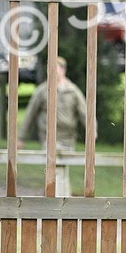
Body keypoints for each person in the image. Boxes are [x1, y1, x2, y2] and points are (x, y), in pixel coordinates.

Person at [18, 57, 88, 197]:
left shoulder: (72, 90)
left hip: (68, 138)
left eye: (56, 68)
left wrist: (92, 133)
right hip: (49, 138)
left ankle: (54, 197)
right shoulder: (43, 90)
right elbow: (30, 114)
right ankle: (60, 198)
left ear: (63, 69)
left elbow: (85, 113)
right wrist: (21, 138)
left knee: (62, 169)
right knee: (53, 168)